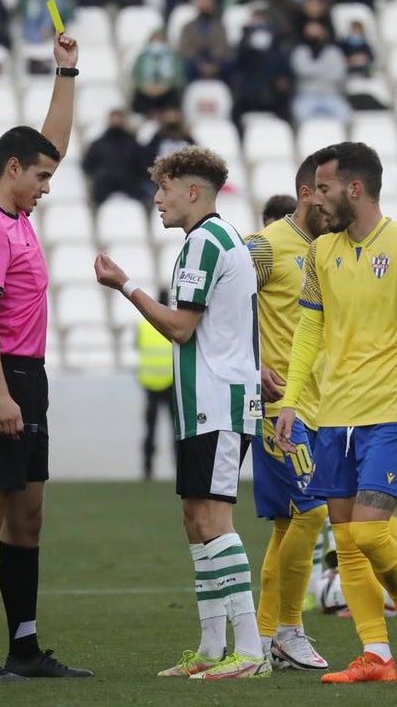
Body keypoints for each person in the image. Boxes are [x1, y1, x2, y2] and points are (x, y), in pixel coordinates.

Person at [0, 32, 92, 682]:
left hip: (28, 378)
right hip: (0, 379)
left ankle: (26, 647)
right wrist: (2, 392)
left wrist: (66, 71)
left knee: (27, 515)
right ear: (11, 171)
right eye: (40, 177)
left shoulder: (18, 213)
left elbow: (50, 141)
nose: (46, 185)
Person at [94, 145, 268, 679]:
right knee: (195, 520)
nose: (156, 199)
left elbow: (181, 327)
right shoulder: (222, 240)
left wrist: (124, 284)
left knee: (214, 520)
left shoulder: (203, 244)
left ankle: (252, 652)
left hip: (216, 402)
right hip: (206, 403)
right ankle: (212, 649)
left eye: (164, 188)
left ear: (193, 191)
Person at [275, 141, 397, 684]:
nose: (314, 199)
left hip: (393, 413)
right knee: (347, 543)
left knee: (371, 537)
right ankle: (377, 654)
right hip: (332, 417)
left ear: (354, 188)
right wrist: (293, 402)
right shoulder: (322, 253)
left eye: (322, 188)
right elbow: (308, 333)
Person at [244, 155, 330, 671]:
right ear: (306, 193)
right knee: (313, 511)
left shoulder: (333, 250)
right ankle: (289, 631)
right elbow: (207, 307)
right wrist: (248, 366)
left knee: (284, 526)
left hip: (324, 406)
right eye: (329, 192)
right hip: (280, 411)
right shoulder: (264, 246)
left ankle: (262, 634)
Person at [136, 289, 175, 481]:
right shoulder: (172, 322)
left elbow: (137, 346)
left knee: (150, 429)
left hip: (150, 382)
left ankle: (147, 469)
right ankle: (180, 467)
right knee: (176, 429)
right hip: (170, 382)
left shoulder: (144, 325)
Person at [83, 109, 151, 207]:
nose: (116, 122)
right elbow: (88, 166)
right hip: (105, 184)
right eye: (113, 119)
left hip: (129, 183)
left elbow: (142, 167)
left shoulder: (133, 144)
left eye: (118, 119)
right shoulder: (98, 144)